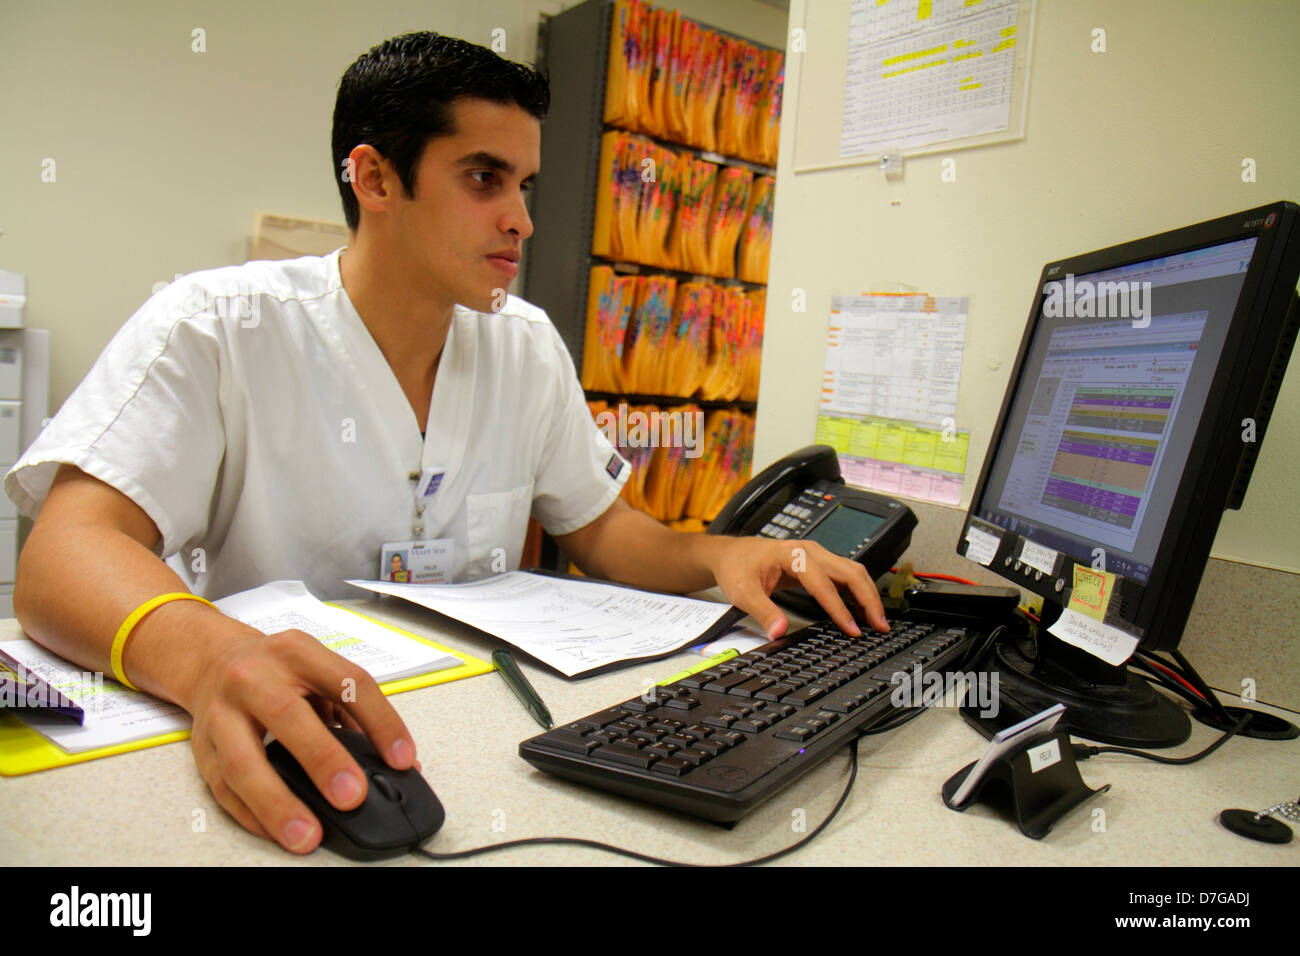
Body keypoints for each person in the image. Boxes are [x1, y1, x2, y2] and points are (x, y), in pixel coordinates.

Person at [5, 32, 886, 855]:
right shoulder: (219, 327)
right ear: (375, 179)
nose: (521, 221)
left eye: (524, 186)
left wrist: (722, 554)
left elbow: (604, 530)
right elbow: (65, 554)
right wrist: (211, 659)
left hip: (490, 748)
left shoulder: (524, 343)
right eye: (483, 178)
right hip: (282, 733)